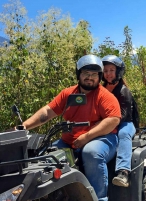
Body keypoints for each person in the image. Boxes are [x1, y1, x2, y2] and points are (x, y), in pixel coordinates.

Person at [21, 54, 121, 201]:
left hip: (103, 138)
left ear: (100, 77)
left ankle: (99, 198)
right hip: (70, 141)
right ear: (78, 74)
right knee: (47, 156)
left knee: (91, 153)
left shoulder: (104, 96)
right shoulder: (68, 94)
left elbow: (113, 120)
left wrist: (87, 137)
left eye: (94, 74)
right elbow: (47, 112)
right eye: (86, 73)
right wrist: (23, 126)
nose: (90, 77)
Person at [102, 55, 136, 188]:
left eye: (111, 70)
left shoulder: (123, 90)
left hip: (125, 123)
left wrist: (107, 123)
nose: (108, 73)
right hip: (107, 122)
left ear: (118, 71)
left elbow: (125, 115)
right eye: (105, 71)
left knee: (123, 134)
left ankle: (123, 172)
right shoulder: (101, 89)